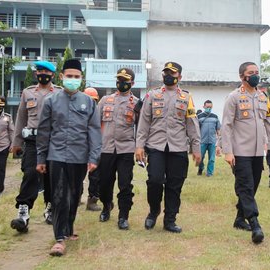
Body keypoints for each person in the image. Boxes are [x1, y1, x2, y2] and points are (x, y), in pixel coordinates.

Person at [36, 58, 101, 256]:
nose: (72, 79)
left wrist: (93, 157)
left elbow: (95, 132)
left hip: (79, 157)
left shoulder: (88, 102)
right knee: (59, 196)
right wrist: (40, 159)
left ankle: (69, 228)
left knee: (74, 194)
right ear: (62, 77)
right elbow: (44, 131)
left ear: (81, 79)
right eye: (69, 76)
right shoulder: (51, 101)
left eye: (76, 77)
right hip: (56, 156)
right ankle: (59, 239)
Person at [135, 61, 201, 233]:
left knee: (174, 185)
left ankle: (170, 219)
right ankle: (153, 211)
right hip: (156, 146)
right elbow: (144, 123)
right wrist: (139, 146)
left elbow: (192, 123)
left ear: (180, 76)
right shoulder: (152, 95)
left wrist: (196, 148)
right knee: (154, 181)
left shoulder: (186, 97)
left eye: (172, 73)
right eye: (166, 73)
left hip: (178, 148)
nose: (168, 76)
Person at [221, 62, 270, 244]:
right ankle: (255, 224)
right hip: (240, 151)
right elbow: (227, 125)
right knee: (246, 186)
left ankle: (240, 219)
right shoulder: (234, 97)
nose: (255, 75)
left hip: (258, 152)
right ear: (242, 77)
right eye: (251, 73)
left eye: (257, 72)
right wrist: (228, 151)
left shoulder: (263, 97)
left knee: (252, 186)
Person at [10, 61, 63, 233]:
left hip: (53, 141)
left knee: (51, 177)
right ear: (35, 74)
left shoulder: (60, 93)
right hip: (32, 142)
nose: (42, 74)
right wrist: (16, 143)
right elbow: (21, 118)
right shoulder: (27, 93)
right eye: (39, 71)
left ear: (52, 75)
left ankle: (50, 207)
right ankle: (23, 211)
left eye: (46, 72)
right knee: (30, 173)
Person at [97, 68, 143, 230]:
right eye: (119, 80)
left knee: (125, 184)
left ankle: (123, 215)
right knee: (104, 184)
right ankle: (106, 205)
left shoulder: (137, 103)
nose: (121, 83)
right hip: (106, 148)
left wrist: (140, 147)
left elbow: (140, 128)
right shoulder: (105, 100)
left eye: (125, 81)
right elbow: (95, 125)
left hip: (126, 149)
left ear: (132, 83)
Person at [83, 87, 102, 211]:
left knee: (95, 175)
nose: (91, 102)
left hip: (94, 147)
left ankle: (92, 200)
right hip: (79, 147)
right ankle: (76, 197)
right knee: (76, 173)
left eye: (94, 100)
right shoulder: (78, 111)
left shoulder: (98, 112)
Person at [197, 100, 221, 177]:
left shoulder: (215, 117)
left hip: (212, 141)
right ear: (204, 107)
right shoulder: (199, 117)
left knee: (212, 159)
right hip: (202, 141)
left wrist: (219, 143)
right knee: (200, 158)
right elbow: (196, 129)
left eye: (210, 107)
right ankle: (201, 168)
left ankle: (209, 173)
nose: (209, 108)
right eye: (207, 107)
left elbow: (218, 130)